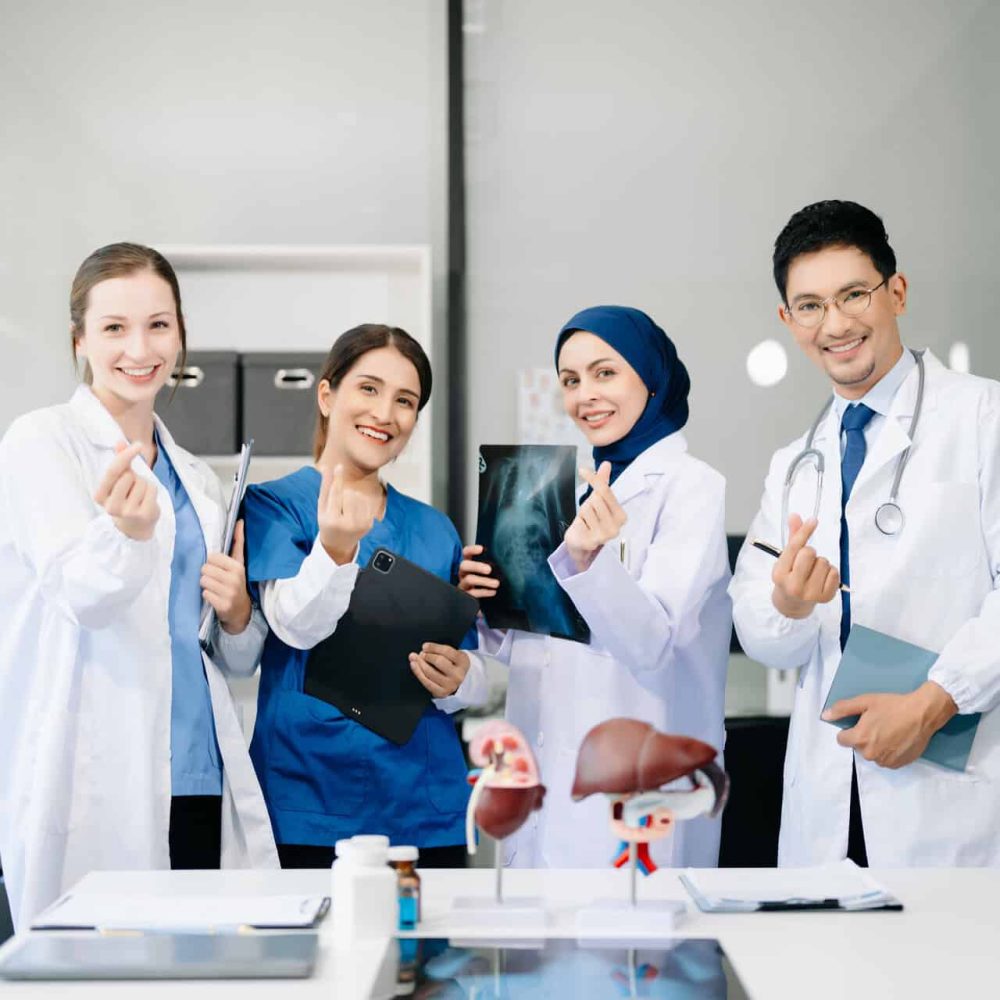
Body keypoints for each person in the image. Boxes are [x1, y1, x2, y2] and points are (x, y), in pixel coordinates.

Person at [0, 243, 277, 930]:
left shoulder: (199, 479)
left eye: (159, 325)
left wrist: (240, 614)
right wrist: (125, 533)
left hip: (197, 771)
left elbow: (224, 657)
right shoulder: (42, 442)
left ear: (181, 335)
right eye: (115, 328)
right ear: (81, 341)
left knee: (197, 967)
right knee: (101, 967)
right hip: (98, 768)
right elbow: (82, 595)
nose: (139, 348)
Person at [730, 200, 1000, 867]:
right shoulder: (795, 462)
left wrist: (937, 701)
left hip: (952, 793)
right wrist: (789, 607)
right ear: (788, 321)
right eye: (812, 305)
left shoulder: (982, 418)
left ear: (897, 291)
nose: (837, 324)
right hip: (829, 794)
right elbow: (760, 632)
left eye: (854, 294)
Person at [461, 305, 732, 869]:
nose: (586, 395)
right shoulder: (564, 488)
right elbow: (548, 645)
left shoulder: (692, 488)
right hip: (543, 777)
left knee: (633, 944)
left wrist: (590, 561)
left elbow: (650, 643)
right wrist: (490, 605)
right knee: (537, 945)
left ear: (650, 376)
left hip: (634, 785)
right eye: (570, 379)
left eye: (605, 372)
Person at [242, 324, 489, 869]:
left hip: (423, 809)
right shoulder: (274, 507)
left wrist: (460, 675)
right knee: (315, 955)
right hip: (309, 802)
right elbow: (293, 626)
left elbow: (472, 674)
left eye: (406, 401)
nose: (385, 413)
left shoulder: (433, 529)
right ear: (328, 395)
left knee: (425, 955)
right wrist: (333, 548)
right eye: (369, 389)